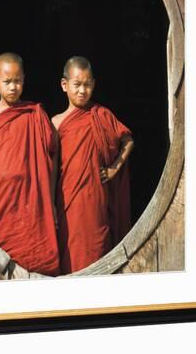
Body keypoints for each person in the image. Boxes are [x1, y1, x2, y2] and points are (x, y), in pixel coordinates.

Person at [0, 52, 59, 276]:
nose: (13, 87)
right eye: (7, 82)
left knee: (36, 257)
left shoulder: (34, 114)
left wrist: (50, 200)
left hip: (31, 200)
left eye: (18, 81)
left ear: (24, 79)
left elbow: (53, 153)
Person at [52, 56, 134, 274]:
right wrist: (49, 202)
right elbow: (50, 169)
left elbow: (128, 140)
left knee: (97, 248)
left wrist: (115, 168)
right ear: (64, 85)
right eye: (77, 85)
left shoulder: (101, 115)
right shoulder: (56, 123)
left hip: (96, 198)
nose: (82, 91)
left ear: (94, 85)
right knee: (71, 249)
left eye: (87, 85)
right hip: (67, 198)